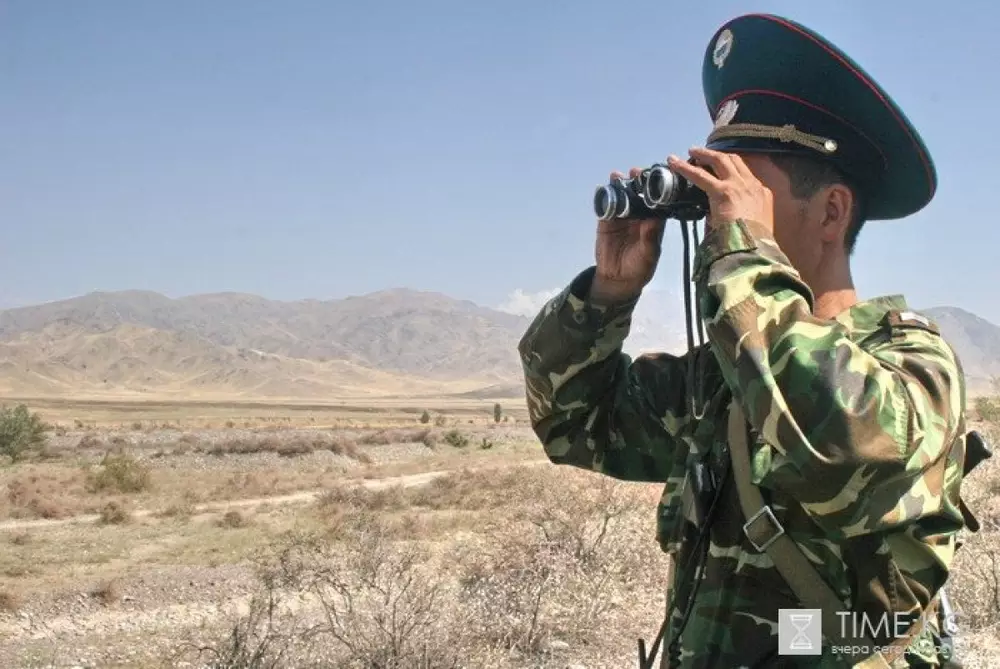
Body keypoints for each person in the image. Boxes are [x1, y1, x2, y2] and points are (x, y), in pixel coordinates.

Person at [517, 13, 980, 668]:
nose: (716, 214)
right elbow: (574, 424)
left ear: (831, 211)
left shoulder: (912, 364)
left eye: (738, 192)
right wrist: (606, 295)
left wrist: (741, 255)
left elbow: (838, 442)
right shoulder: (723, 377)